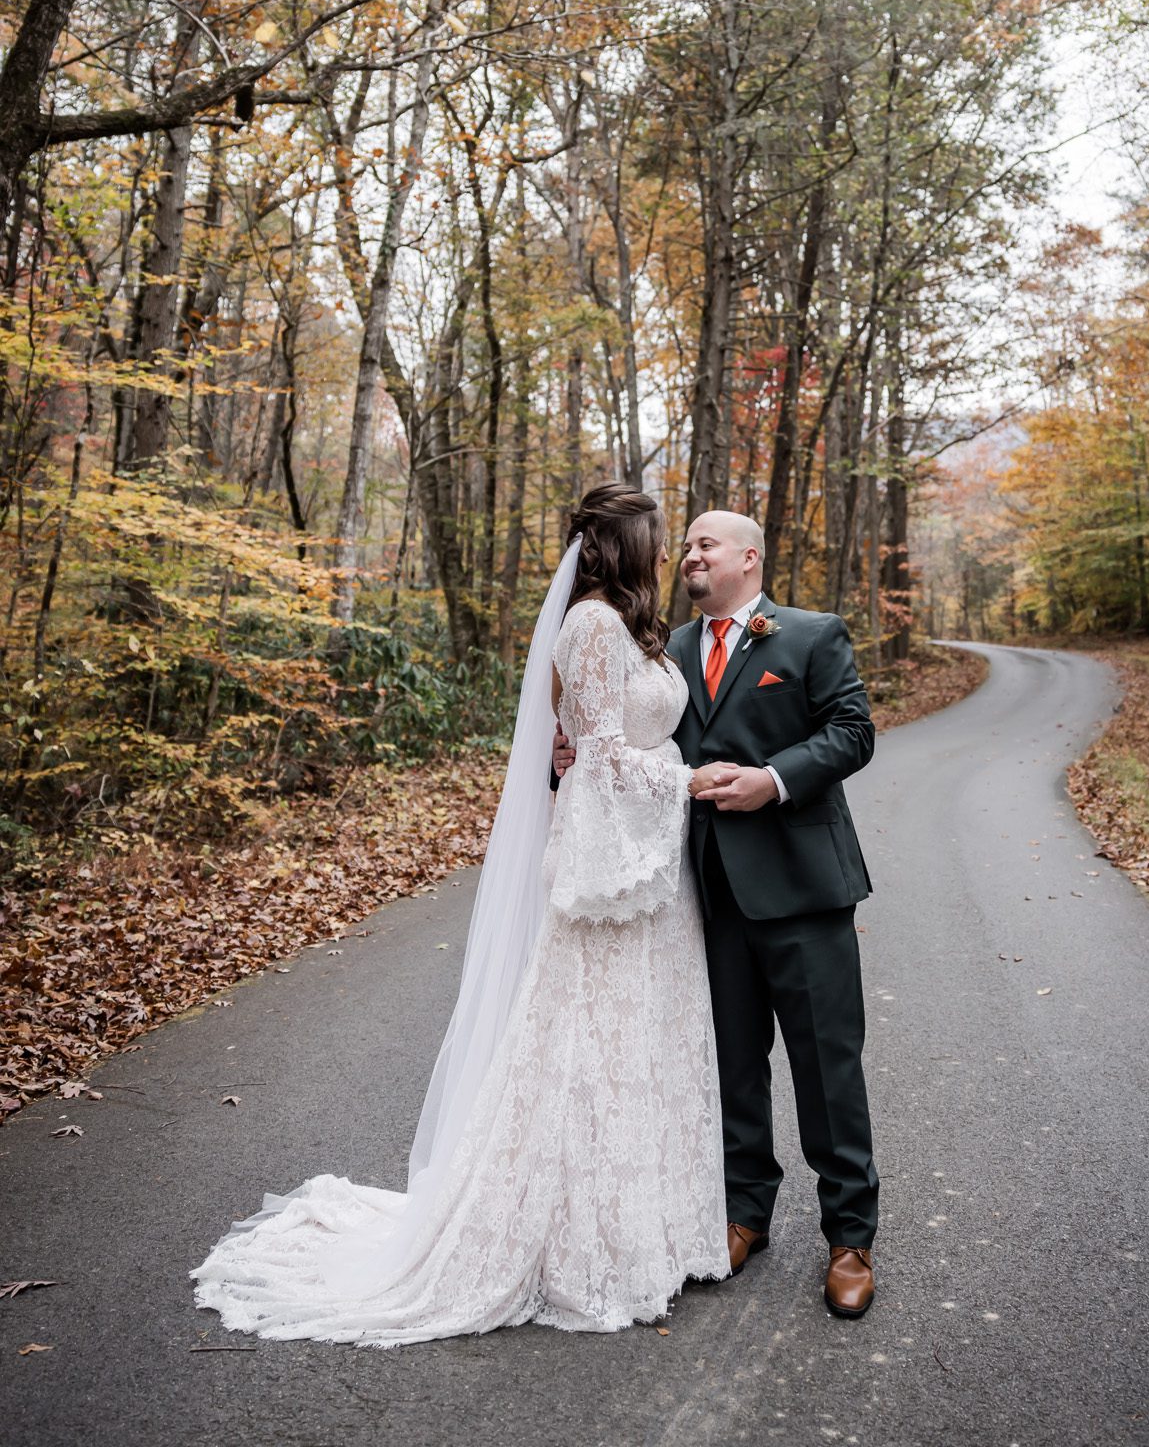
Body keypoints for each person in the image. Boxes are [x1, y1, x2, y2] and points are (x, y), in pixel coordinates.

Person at [191, 485, 731, 1343]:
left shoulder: (632, 628)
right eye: (657, 541)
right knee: (585, 1052)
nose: (667, 554)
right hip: (609, 876)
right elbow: (599, 760)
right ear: (625, 547)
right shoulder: (591, 626)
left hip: (650, 876)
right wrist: (692, 779)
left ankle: (646, 1230)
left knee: (639, 1049)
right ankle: (570, 1242)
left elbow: (629, 735)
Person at [555, 508, 879, 1318]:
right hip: (705, 892)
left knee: (825, 1068)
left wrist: (773, 779)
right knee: (731, 1063)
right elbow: (631, 743)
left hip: (804, 887)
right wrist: (573, 757)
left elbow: (853, 732)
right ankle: (743, 1215)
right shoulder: (661, 645)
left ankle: (850, 1238)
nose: (691, 555)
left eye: (706, 544)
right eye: (686, 545)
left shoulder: (810, 634)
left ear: (748, 557)